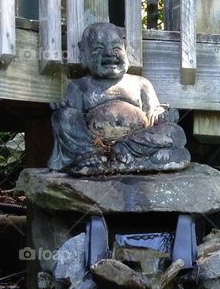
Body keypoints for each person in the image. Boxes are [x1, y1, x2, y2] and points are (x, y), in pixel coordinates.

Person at [48, 22, 190, 175]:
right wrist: (63, 108)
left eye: (116, 48)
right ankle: (93, 156)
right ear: (84, 53)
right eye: (98, 49)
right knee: (62, 116)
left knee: (175, 132)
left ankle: (120, 154)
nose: (110, 54)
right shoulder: (81, 86)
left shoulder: (140, 83)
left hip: (134, 143)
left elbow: (154, 113)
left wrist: (163, 115)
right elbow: (71, 119)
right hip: (95, 144)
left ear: (125, 49)